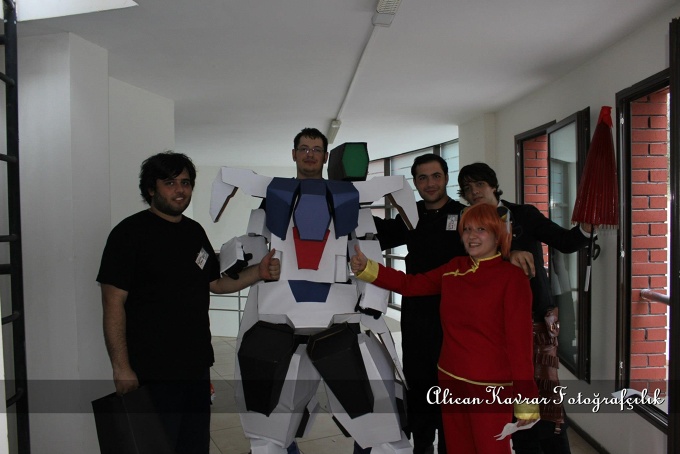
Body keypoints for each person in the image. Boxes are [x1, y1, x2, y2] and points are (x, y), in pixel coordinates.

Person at [97, 151, 280, 454]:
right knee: (153, 447)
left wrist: (257, 273)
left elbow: (215, 283)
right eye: (170, 183)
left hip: (195, 366)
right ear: (151, 189)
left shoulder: (194, 232)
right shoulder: (128, 234)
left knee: (193, 446)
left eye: (185, 182)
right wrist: (121, 368)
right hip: (151, 371)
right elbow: (113, 303)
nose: (180, 190)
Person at [351, 203, 540, 454]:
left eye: (481, 229)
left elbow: (520, 345)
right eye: (467, 229)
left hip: (491, 388)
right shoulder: (455, 267)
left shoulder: (512, 278)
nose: (471, 236)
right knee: (458, 448)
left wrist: (526, 400)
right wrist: (368, 268)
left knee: (491, 448)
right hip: (450, 379)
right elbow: (411, 284)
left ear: (498, 235)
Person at [458, 162, 593, 454]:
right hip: (493, 327)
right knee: (514, 399)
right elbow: (467, 267)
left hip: (535, 320)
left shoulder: (524, 215)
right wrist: (507, 255)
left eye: (479, 184)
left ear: (493, 186)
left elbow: (565, 241)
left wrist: (585, 229)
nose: (474, 192)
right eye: (467, 188)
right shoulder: (466, 224)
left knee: (545, 396)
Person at [373, 154, 466, 454]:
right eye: (422, 178)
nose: (430, 183)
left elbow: (493, 240)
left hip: (455, 316)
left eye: (436, 176)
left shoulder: (464, 216)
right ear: (415, 183)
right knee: (419, 383)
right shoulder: (409, 217)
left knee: (451, 388)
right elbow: (379, 233)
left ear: (446, 177)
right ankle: (422, 446)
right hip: (417, 315)